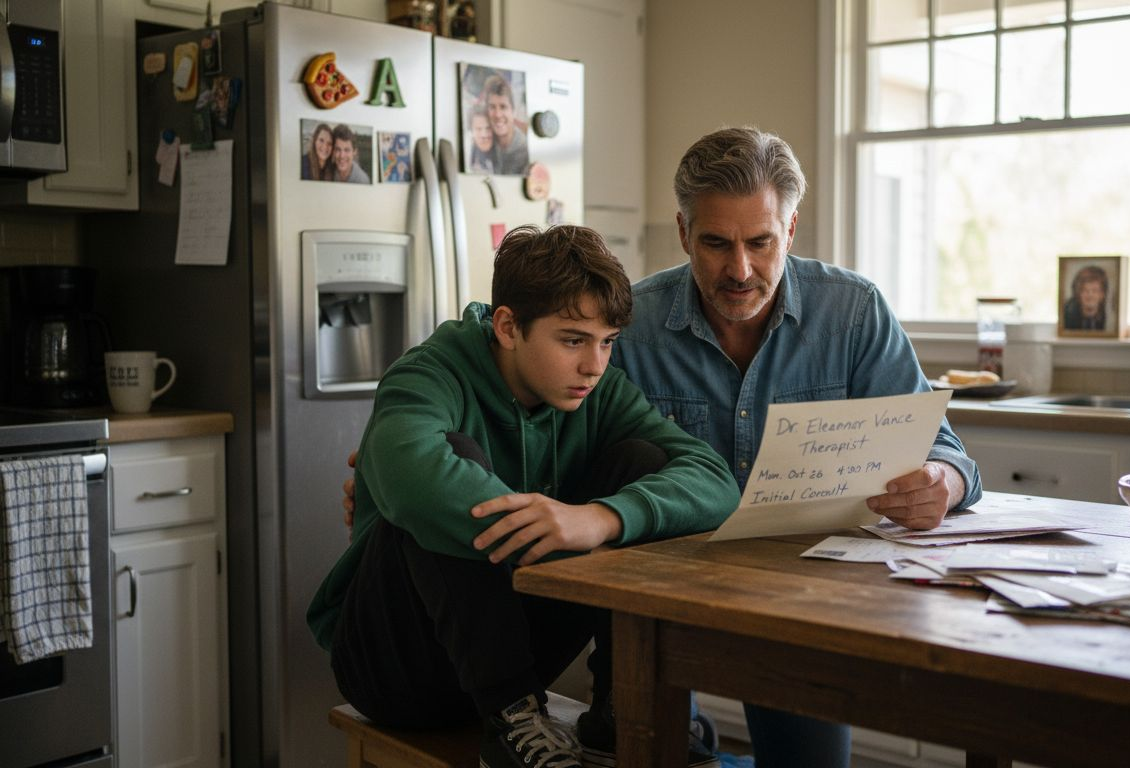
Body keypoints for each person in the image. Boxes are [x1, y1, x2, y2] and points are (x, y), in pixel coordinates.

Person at [342, 127, 983, 766]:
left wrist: (943, 481)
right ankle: (602, 710)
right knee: (663, 739)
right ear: (683, 233)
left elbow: (944, 450)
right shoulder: (626, 322)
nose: (740, 269)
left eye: (760, 242)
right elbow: (478, 454)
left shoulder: (852, 311)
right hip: (661, 585)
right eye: (716, 243)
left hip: (800, 582)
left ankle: (617, 717)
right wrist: (394, 477)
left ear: (790, 231)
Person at [309, 225, 739, 768]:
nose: (595, 365)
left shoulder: (598, 391)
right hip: (395, 670)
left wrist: (600, 519)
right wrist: (566, 542)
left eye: (607, 341)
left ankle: (622, 707)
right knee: (449, 466)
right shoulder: (429, 374)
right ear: (509, 327)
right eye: (573, 340)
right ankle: (511, 715)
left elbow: (716, 480)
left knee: (642, 461)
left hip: (516, 650)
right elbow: (410, 478)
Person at [482, 73, 529, 175]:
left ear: (513, 111)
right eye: (492, 107)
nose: (497, 114)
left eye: (503, 107)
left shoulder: (524, 151)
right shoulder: (486, 142)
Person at [1062, 265, 1108, 331]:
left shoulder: (1103, 316)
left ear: (1102, 294)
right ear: (1078, 293)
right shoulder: (1068, 316)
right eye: (1085, 290)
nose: (1090, 295)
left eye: (1095, 291)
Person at [467, 102, 496, 174]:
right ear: (471, 131)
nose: (484, 135)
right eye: (478, 129)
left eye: (488, 128)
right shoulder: (468, 151)